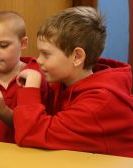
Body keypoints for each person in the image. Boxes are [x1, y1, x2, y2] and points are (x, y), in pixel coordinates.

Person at [14, 6, 133, 157]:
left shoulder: (99, 103)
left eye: (46, 54)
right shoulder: (64, 80)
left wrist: (30, 88)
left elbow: (29, 134)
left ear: (77, 57)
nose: (39, 60)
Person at [0, 11, 48, 143]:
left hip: (32, 152)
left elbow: (30, 129)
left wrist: (1, 110)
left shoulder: (36, 75)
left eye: (3, 45)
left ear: (23, 43)